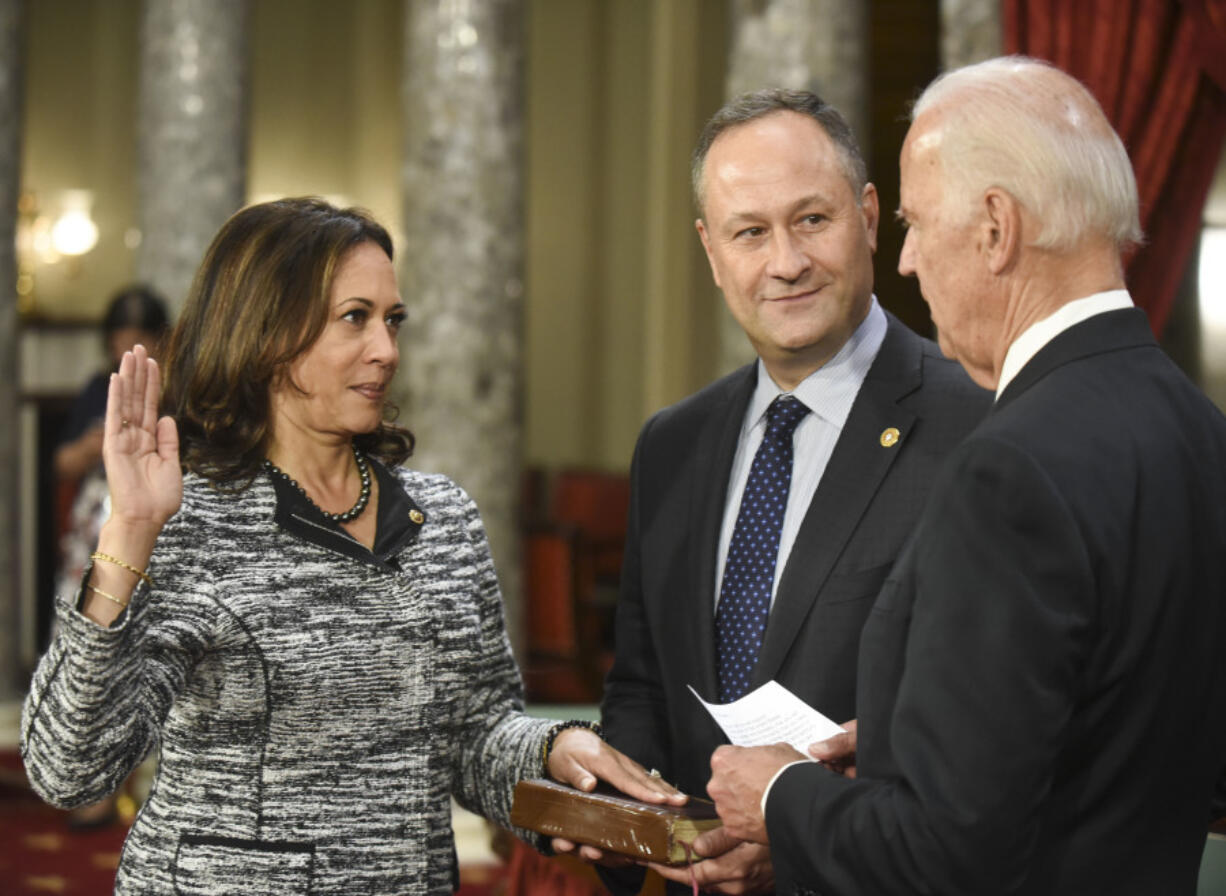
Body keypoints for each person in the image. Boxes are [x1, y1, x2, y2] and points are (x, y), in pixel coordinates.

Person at [20, 197, 683, 895]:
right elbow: (69, 767)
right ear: (269, 333)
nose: (387, 350)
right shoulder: (189, 516)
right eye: (355, 318)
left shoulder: (445, 519)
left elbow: (475, 737)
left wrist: (554, 751)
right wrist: (129, 533)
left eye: (392, 320)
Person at [702, 57, 1226, 895]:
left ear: (994, 228)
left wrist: (778, 793)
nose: (906, 260)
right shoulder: (1199, 428)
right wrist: (923, 735)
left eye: (914, 222)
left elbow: (945, 856)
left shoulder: (1007, 466)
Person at [593, 89, 990, 894]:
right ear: (711, 252)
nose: (785, 262)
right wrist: (626, 831)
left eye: (812, 220)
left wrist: (800, 832)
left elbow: (990, 728)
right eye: (749, 232)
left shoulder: (981, 432)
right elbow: (641, 683)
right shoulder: (671, 445)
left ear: (871, 216)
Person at [50, 284, 170, 830]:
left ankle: (145, 776)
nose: (132, 349)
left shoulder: (176, 391)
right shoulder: (98, 387)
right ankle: (91, 775)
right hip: (98, 530)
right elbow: (64, 462)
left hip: (158, 529)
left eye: (142, 339)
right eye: (124, 340)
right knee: (91, 640)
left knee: (152, 644)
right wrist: (103, 444)